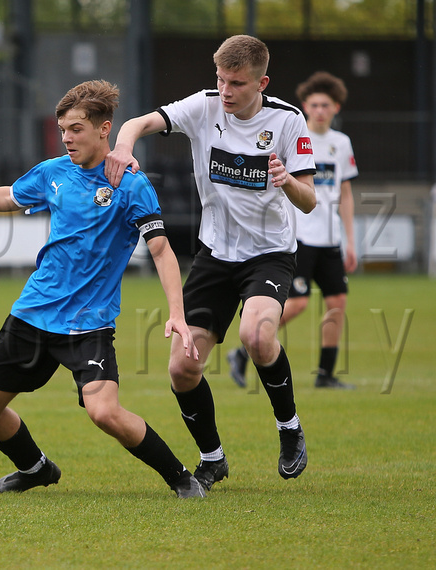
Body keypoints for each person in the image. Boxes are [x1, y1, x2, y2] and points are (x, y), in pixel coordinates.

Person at [0, 80, 206, 498]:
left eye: (76, 129)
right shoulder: (53, 172)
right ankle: (35, 468)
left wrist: (176, 312)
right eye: (63, 129)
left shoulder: (132, 185)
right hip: (34, 312)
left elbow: (162, 250)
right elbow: (9, 195)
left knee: (105, 413)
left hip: (88, 325)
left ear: (104, 129)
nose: (66, 138)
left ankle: (180, 477)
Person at [104, 35, 316, 488]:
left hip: (269, 254)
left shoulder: (287, 121)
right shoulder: (203, 106)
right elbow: (139, 122)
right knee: (182, 367)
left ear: (262, 81)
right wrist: (123, 148)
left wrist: (286, 181)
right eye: (220, 79)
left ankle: (289, 428)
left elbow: (310, 201)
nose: (225, 90)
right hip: (214, 255)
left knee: (256, 336)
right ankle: (212, 457)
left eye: (236, 83)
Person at [227, 71, 358, 390]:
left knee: (337, 303)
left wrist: (351, 241)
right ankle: (246, 351)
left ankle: (325, 375)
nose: (320, 110)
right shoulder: (296, 136)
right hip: (299, 237)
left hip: (330, 239)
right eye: (314, 105)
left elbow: (345, 194)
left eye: (326, 105)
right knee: (297, 304)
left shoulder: (341, 144)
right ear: (305, 106)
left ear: (336, 108)